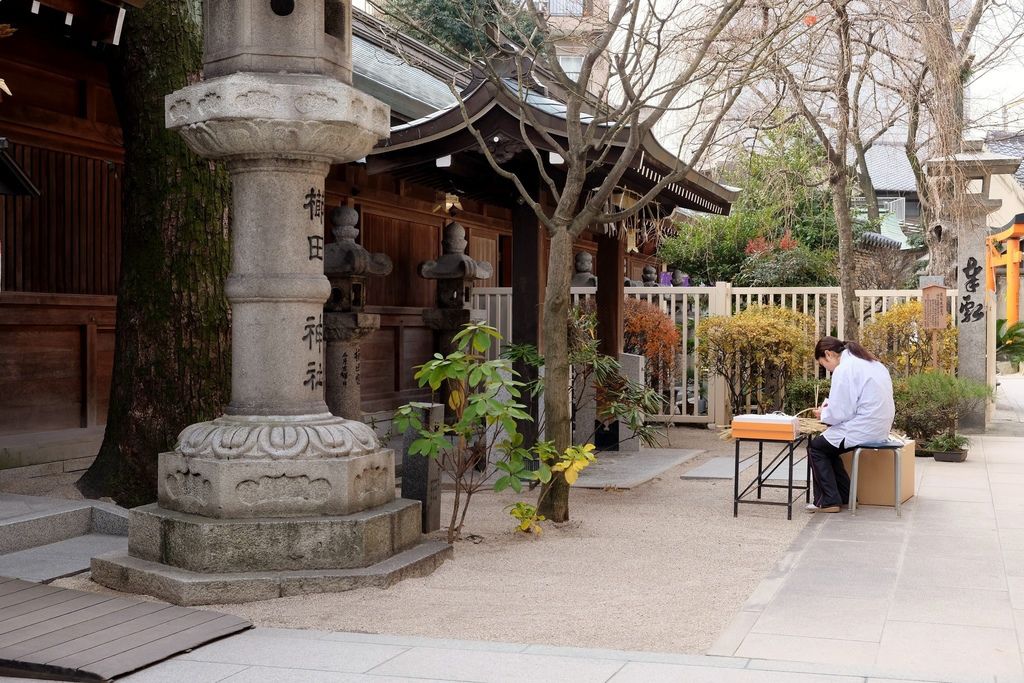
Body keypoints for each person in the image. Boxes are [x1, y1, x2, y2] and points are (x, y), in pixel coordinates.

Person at [806, 337, 895, 513]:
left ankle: (829, 501)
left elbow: (840, 412)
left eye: (824, 365)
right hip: (880, 427)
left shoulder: (845, 369)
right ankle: (845, 496)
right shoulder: (873, 363)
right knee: (829, 448)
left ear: (828, 354)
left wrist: (823, 413)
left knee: (816, 447)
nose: (828, 370)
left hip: (863, 428)